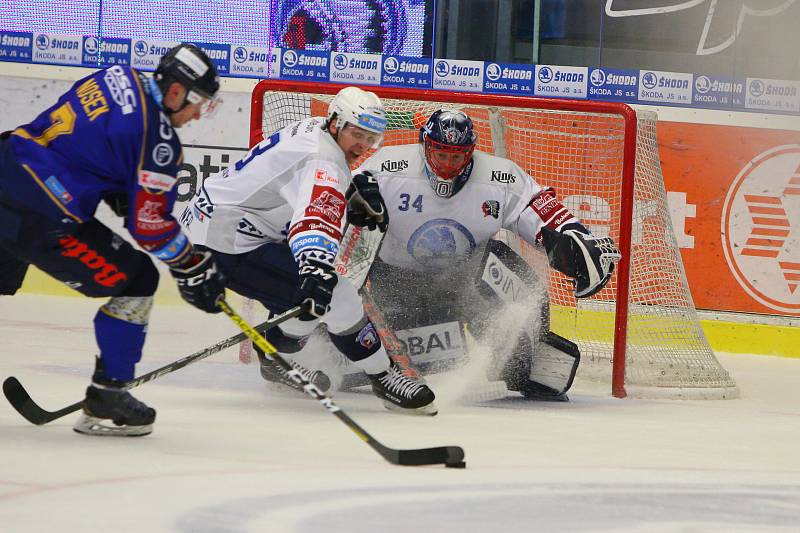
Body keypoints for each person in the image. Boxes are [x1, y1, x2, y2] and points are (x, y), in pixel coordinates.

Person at [0, 43, 227, 436]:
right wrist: (191, 264)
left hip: (7, 163)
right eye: (196, 103)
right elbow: (149, 226)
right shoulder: (157, 141)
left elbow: (88, 144)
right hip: (41, 215)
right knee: (138, 280)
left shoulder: (117, 75)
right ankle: (108, 396)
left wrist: (120, 188)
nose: (195, 115)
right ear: (175, 92)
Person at [179, 86, 437, 416]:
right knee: (336, 294)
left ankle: (276, 359)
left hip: (223, 224)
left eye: (371, 138)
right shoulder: (323, 161)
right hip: (224, 242)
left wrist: (353, 188)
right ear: (336, 123)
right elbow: (313, 217)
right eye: (357, 134)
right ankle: (385, 377)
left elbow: (310, 181)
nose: (363, 145)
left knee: (306, 297)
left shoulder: (317, 127)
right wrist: (315, 265)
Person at [350, 109, 622, 400]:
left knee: (510, 272)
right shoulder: (387, 167)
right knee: (346, 362)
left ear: (471, 152)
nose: (448, 164)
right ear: (424, 145)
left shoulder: (500, 177)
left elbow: (546, 212)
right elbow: (341, 202)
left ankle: (525, 359)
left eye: (457, 156)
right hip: (395, 288)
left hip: (463, 287)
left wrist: (573, 239)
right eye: (441, 154)